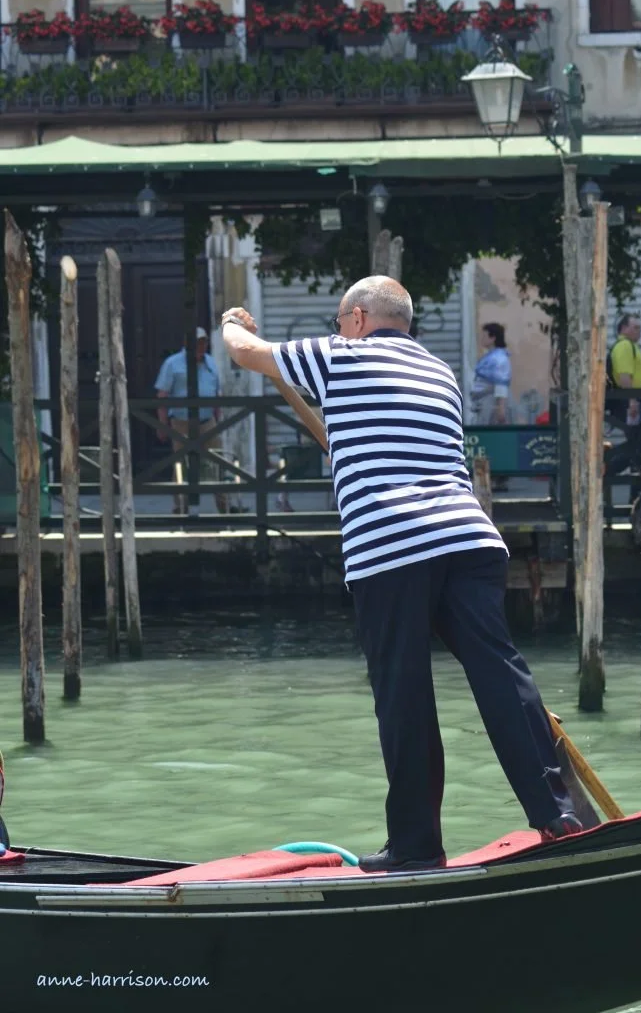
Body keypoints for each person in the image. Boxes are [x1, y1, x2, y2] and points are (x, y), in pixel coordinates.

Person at [221, 277, 582, 874]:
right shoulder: (439, 374)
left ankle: (416, 844)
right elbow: (342, 437)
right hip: (469, 540)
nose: (338, 332)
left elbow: (242, 353)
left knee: (405, 694)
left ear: (358, 318)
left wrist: (233, 319)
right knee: (499, 672)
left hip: (392, 548)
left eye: (341, 322)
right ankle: (555, 807)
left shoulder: (341, 355)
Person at [155, 328, 226, 515]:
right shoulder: (172, 364)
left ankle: (225, 506)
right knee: (181, 464)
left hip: (206, 420)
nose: (201, 346)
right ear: (187, 344)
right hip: (181, 421)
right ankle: (181, 507)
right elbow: (162, 396)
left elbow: (217, 393)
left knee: (217, 461)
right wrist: (162, 425)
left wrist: (218, 419)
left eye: (204, 342)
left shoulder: (210, 362)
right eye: (198, 342)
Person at [470, 322, 513, 492]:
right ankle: (489, 477)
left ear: (492, 337)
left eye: (484, 335)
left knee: (492, 440)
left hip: (491, 404)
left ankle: (498, 478)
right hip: (484, 402)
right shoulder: (492, 356)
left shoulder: (499, 359)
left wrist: (500, 407)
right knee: (486, 440)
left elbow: (501, 384)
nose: (481, 338)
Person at [607, 313, 641, 427]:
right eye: (635, 327)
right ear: (624, 328)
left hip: (634, 398)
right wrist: (632, 401)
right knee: (635, 438)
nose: (639, 331)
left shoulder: (629, 345)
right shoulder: (625, 346)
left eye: (640, 328)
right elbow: (624, 376)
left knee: (636, 437)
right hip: (631, 399)